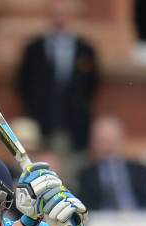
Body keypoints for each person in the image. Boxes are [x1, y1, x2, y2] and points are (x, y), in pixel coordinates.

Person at [16, 0, 99, 159]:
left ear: (71, 16)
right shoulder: (34, 49)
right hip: (41, 125)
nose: (60, 18)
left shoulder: (85, 49)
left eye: (64, 14)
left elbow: (92, 84)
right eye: (55, 14)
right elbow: (22, 84)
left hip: (75, 128)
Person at [78, 116, 146, 211]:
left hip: (137, 220)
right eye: (103, 142)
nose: (108, 148)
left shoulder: (141, 172)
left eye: (111, 142)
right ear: (94, 143)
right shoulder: (86, 175)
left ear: (121, 141)